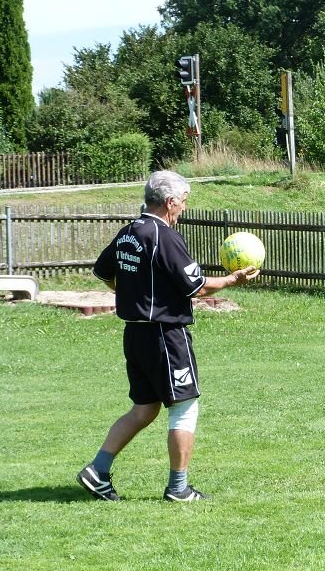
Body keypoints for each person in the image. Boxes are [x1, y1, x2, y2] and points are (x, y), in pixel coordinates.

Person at [77, 170, 259, 502]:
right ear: (171, 201)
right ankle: (178, 488)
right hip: (165, 335)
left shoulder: (128, 232)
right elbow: (199, 286)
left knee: (144, 409)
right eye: (184, 202)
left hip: (135, 335)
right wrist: (233, 280)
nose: (184, 209)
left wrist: (130, 293)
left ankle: (98, 469)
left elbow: (104, 272)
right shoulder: (164, 236)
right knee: (185, 407)